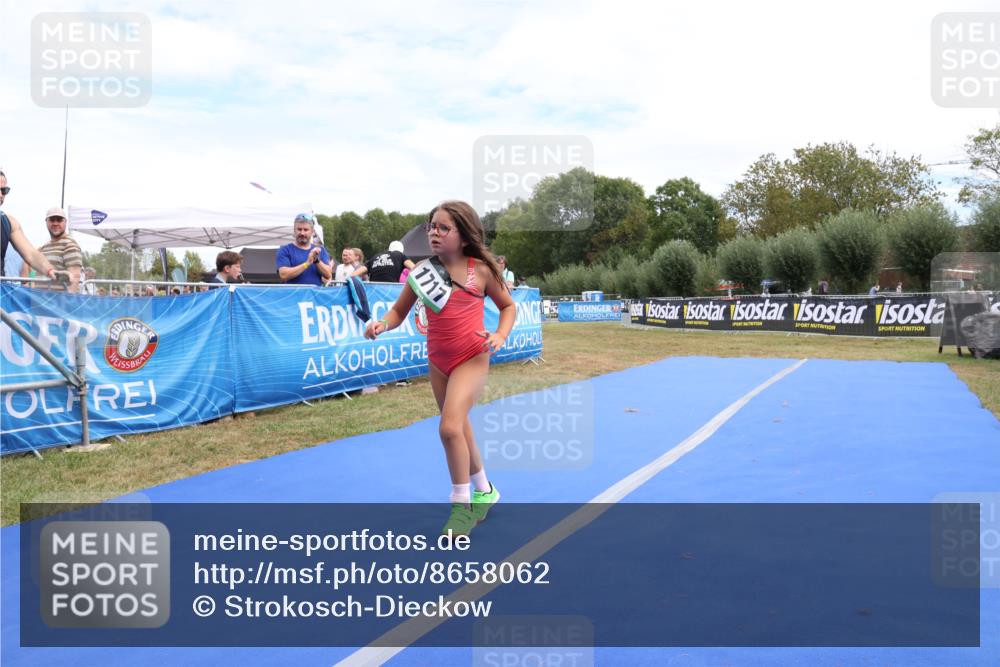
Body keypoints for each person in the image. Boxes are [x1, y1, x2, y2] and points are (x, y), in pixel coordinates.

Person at [365, 201, 515, 538]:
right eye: (432, 226)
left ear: (463, 235)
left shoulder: (483, 270)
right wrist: (381, 326)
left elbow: (508, 306)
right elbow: (398, 312)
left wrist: (501, 334)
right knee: (459, 427)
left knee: (449, 429)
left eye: (443, 227)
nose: (434, 232)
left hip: (472, 357)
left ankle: (461, 507)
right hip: (438, 361)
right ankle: (484, 489)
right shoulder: (421, 272)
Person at [0, 168, 58, 282]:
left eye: (4, 190)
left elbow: (31, 254)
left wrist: (51, 270)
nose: (1, 194)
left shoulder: (9, 222)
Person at [22, 207, 82, 292]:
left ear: (65, 222)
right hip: (41, 301)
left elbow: (75, 279)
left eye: (59, 220)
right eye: (52, 220)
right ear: (46, 222)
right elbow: (38, 277)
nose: (55, 223)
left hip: (58, 303)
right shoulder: (44, 247)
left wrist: (67, 303)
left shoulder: (70, 245)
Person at [276, 213, 332, 285]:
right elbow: (283, 275)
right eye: (299, 229)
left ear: (312, 232)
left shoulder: (320, 250)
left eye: (306, 230)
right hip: (294, 295)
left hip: (314, 295)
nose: (302, 233)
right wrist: (306, 264)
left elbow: (328, 275)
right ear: (294, 230)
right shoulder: (285, 250)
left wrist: (317, 260)